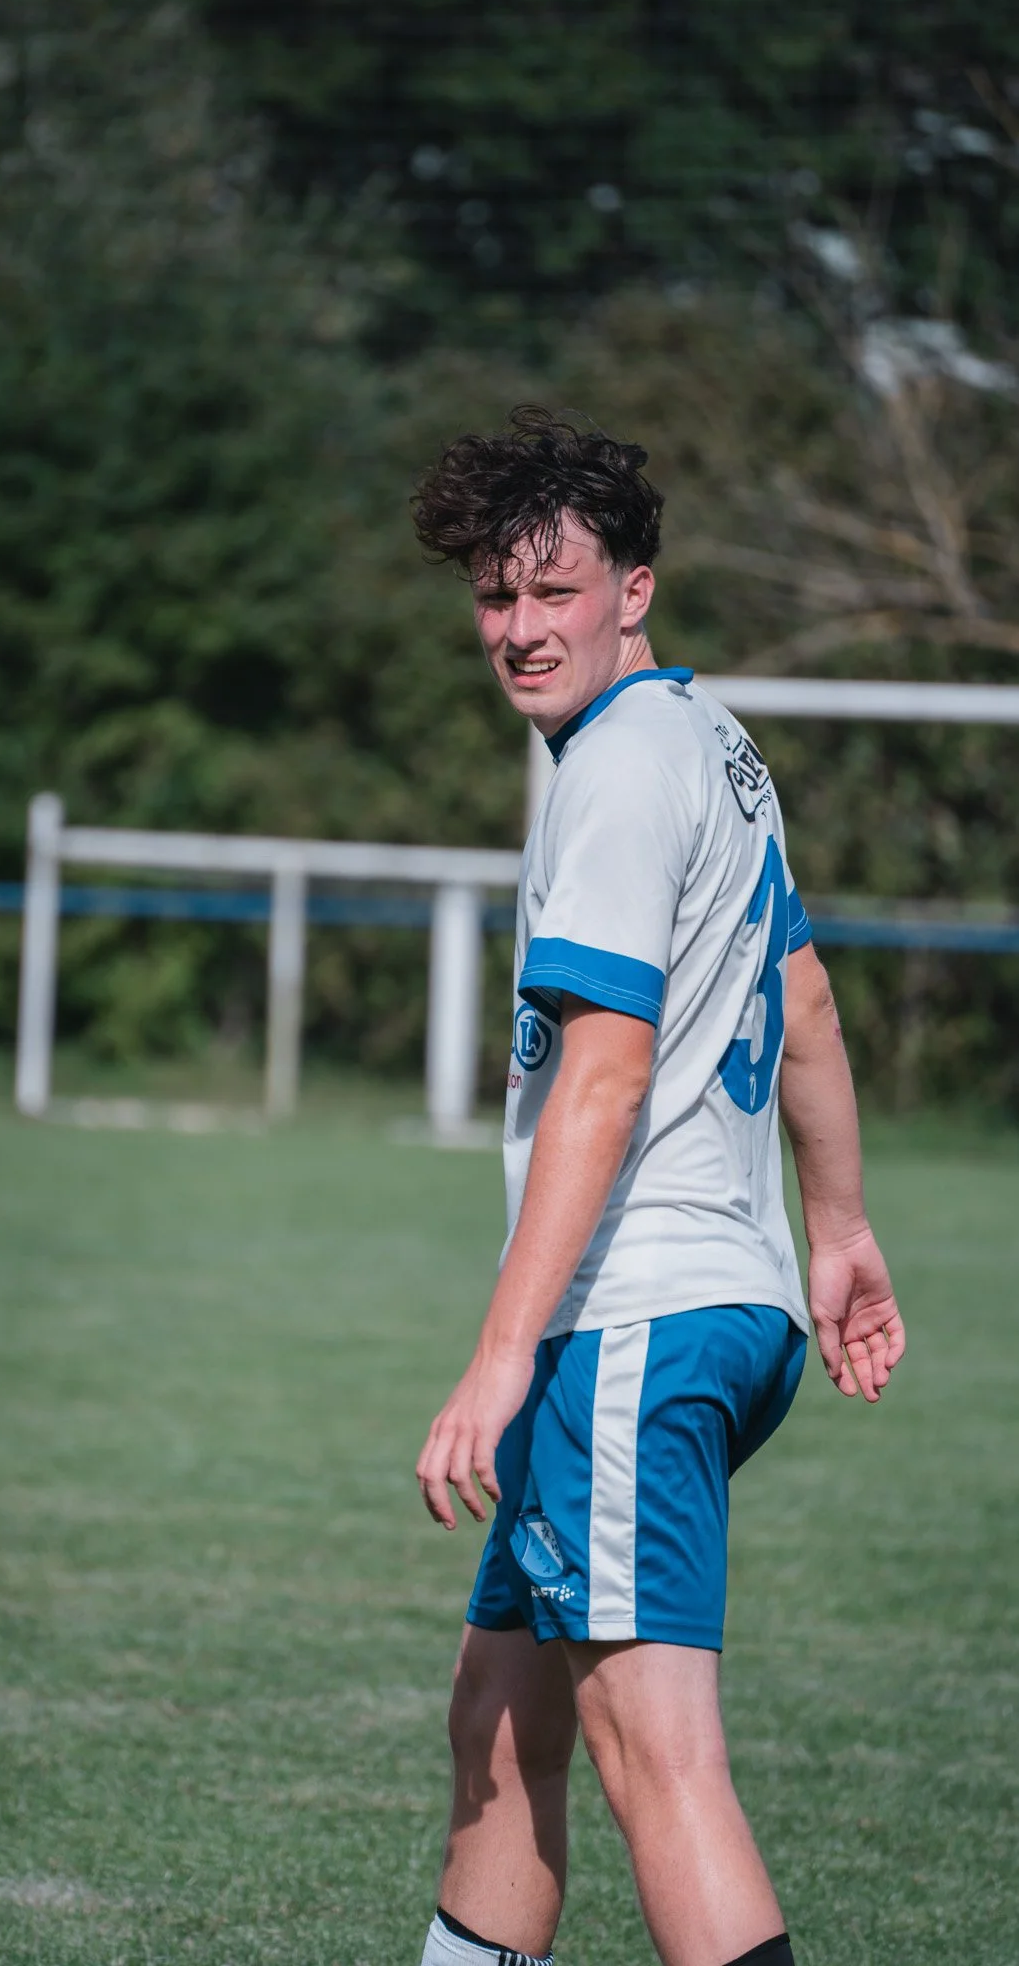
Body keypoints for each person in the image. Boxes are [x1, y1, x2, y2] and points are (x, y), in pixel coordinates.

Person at [407, 411, 905, 1966]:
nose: (518, 629)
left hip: (635, 1323)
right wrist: (840, 1235)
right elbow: (806, 1003)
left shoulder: (618, 772)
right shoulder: (711, 741)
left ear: (636, 588)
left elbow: (605, 1078)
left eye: (554, 592)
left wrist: (499, 1357)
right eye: (496, 598)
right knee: (500, 1716)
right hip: (722, 1304)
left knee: (655, 1759)